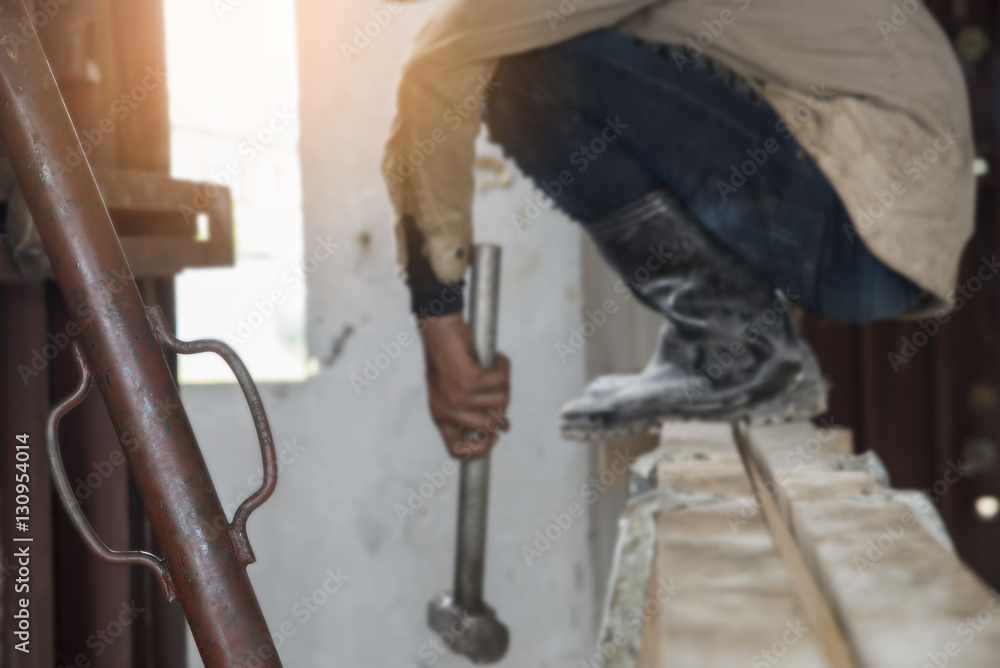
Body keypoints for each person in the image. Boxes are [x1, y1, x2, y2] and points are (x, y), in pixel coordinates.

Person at [383, 0, 975, 456]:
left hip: (856, 212)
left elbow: (438, 64)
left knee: (521, 73)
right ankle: (731, 335)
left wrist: (440, 325)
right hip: (877, 222)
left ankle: (730, 341)